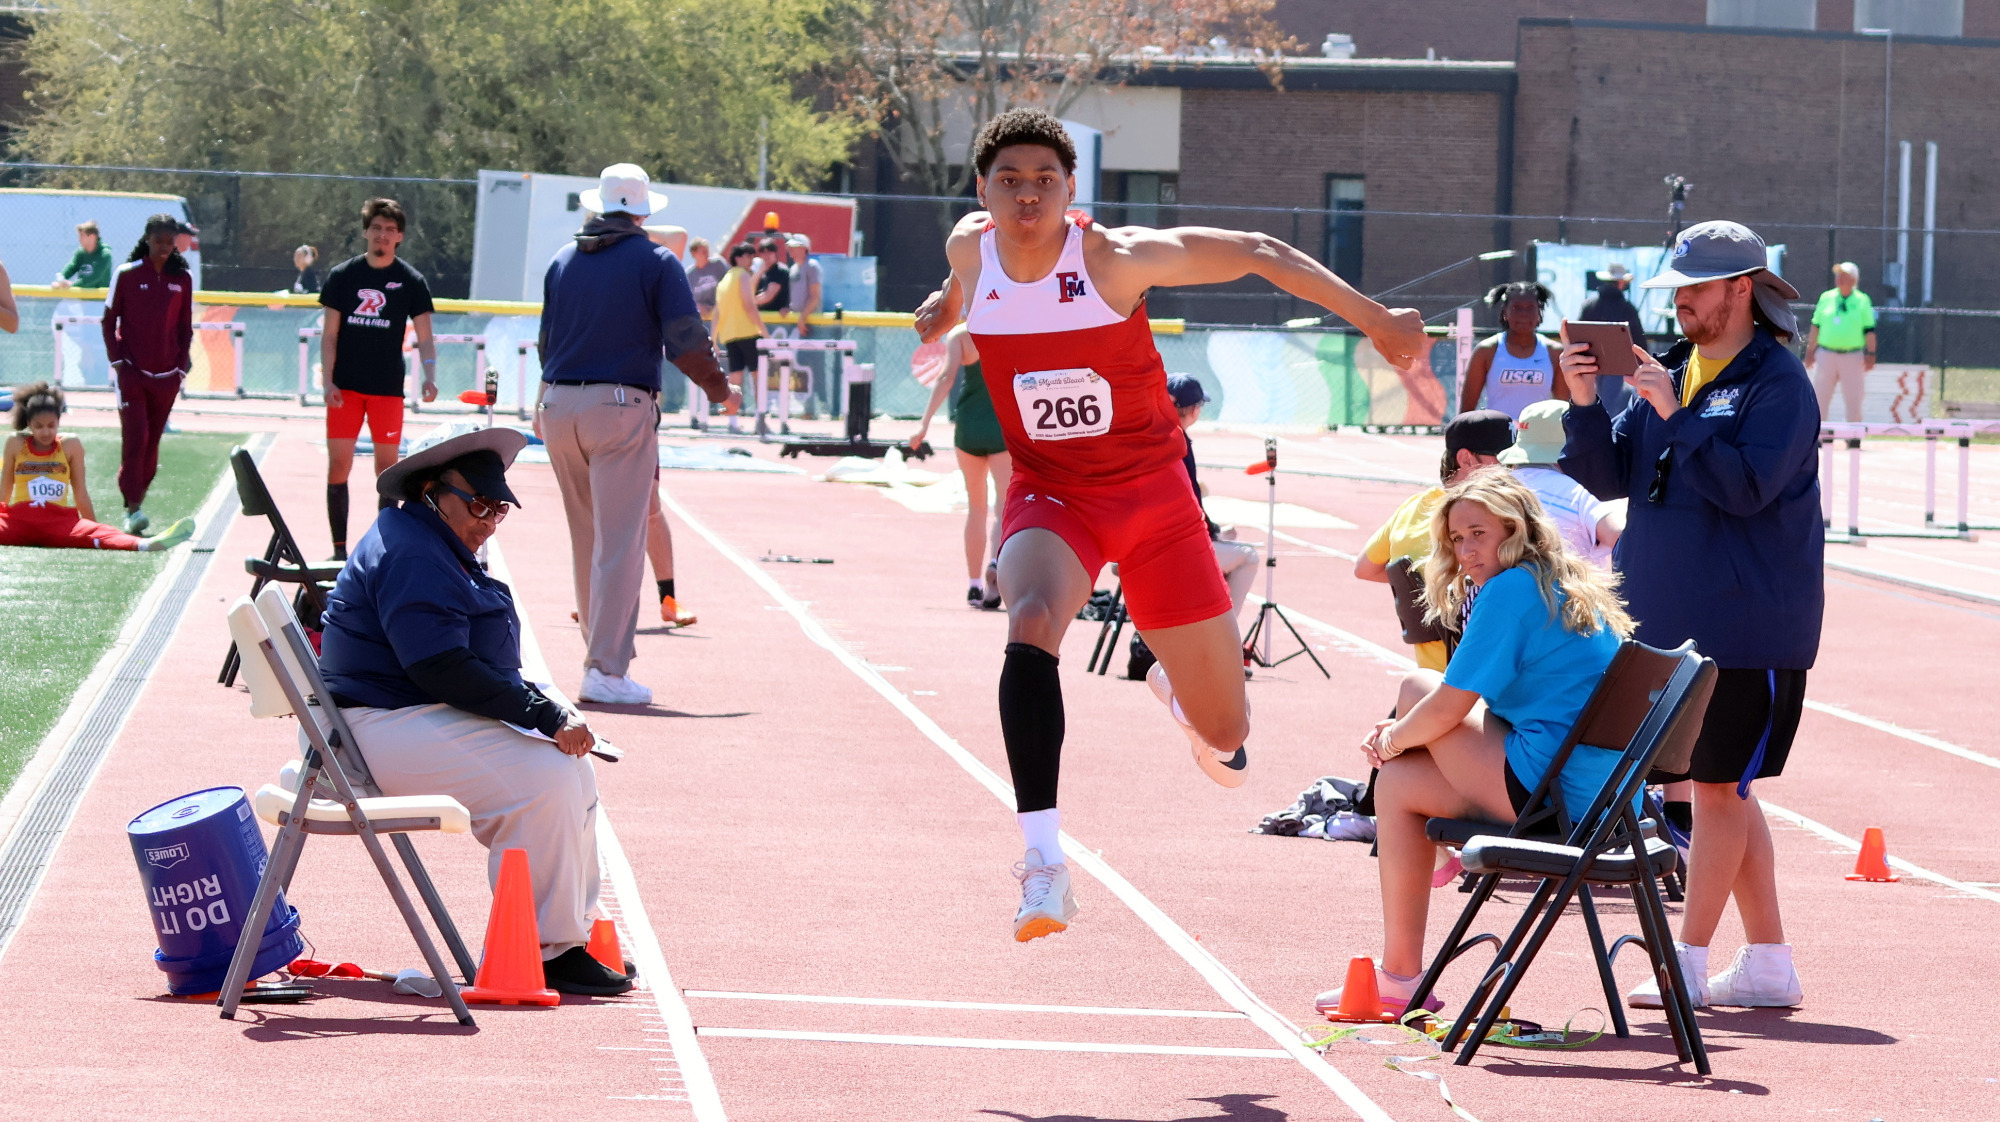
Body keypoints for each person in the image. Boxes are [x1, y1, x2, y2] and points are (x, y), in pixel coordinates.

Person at [913, 108, 1426, 941]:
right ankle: (1044, 864)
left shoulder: (1113, 260)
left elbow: (1262, 253)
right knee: (1032, 620)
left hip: (1153, 501)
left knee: (1228, 732)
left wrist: (1373, 317)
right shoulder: (969, 248)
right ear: (983, 191)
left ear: (1070, 188)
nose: (1027, 194)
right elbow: (960, 277)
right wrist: (944, 307)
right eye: (1009, 180)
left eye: (1045, 179)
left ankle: (1182, 698)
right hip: (1053, 494)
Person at [1559, 219, 1821, 1009]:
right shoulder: (1673, 368)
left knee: (1715, 792)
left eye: (1695, 290)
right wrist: (1583, 402)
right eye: (1674, 292)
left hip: (1745, 625)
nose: (1679, 307)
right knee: (1723, 789)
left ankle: (1689, 962)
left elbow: (1746, 488)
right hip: (1668, 623)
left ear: (1742, 291)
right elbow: (1611, 473)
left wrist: (1677, 414)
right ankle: (1769, 964)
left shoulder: (1780, 383)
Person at [316, 428, 632, 996]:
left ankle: (565, 938)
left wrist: (538, 711)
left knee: (570, 773)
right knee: (549, 776)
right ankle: (544, 948)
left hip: (394, 717)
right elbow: (440, 666)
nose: (488, 520)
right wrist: (543, 714)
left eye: (499, 509)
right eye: (479, 504)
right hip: (375, 731)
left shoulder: (425, 538)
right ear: (433, 491)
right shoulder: (412, 550)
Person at [1315, 471, 1634, 1016]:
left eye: (1477, 533)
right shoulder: (1557, 577)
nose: (1464, 550)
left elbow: (1449, 707)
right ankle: (1401, 974)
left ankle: (1403, 970)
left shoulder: (1511, 590)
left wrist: (1390, 739)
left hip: (1556, 795)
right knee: (1399, 774)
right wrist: (1397, 745)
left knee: (1414, 715)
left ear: (1516, 529)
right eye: (1456, 539)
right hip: (1595, 791)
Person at [534, 163, 730, 705]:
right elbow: (686, 340)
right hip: (618, 405)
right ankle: (606, 670)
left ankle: (596, 656)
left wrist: (541, 398)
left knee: (586, 537)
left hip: (557, 405)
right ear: (642, 212)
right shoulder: (657, 261)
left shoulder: (562, 258)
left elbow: (548, 341)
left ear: (597, 205)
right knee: (621, 542)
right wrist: (720, 390)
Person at [319, 198, 438, 561]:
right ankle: (339, 551)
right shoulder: (343, 276)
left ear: (399, 236)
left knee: (386, 471)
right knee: (339, 464)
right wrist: (328, 382)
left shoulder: (411, 281)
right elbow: (329, 336)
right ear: (365, 232)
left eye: (389, 230)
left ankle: (381, 552)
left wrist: (430, 374)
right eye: (376, 229)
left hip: (387, 389)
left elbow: (426, 336)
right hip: (346, 389)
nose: (382, 236)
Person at [1353, 410, 1516, 672]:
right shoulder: (1487, 518)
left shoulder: (1411, 507)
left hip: (1431, 676)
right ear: (1466, 459)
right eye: (1504, 460)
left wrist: (1427, 580)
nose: (1513, 469)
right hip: (1480, 679)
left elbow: (1364, 568)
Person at [1, 381, 193, 551]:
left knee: (104, 533)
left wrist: (93, 529)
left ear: (59, 422)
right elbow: (5, 489)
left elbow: (80, 493)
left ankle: (144, 545)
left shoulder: (70, 445)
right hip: (20, 520)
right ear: (29, 424)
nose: (45, 432)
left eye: (51, 425)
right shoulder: (16, 443)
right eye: (39, 426)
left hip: (58, 521)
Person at [102, 214, 194, 535]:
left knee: (153, 441)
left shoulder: (183, 278)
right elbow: (107, 320)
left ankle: (138, 500)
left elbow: (186, 326)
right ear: (147, 240)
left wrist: (181, 367)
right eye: (158, 241)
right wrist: (117, 363)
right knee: (136, 437)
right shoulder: (126, 275)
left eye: (170, 242)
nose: (164, 248)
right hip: (132, 374)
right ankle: (133, 507)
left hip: (168, 377)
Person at [911, 322, 1011, 608]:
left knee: (976, 507)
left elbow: (946, 378)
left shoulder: (961, 335)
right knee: (1003, 505)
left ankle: (973, 583)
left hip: (968, 425)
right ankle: (996, 563)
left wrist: (924, 424)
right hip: (1000, 424)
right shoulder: (1007, 327)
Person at [1166, 373, 1259, 619]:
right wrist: (1212, 533)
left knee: (1225, 548)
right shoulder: (1180, 444)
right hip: (1174, 548)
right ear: (1195, 410)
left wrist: (1214, 532)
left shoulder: (1154, 436)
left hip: (1141, 542)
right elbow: (1189, 504)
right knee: (1249, 557)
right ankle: (1228, 638)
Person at [1498, 399, 1621, 567]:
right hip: (1566, 589)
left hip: (1498, 589)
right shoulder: (1577, 492)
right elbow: (1616, 534)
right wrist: (1593, 560)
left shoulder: (1495, 486)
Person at [1458, 281, 1567, 419]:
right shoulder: (1486, 351)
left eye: (1530, 308)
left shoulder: (1555, 353)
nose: (1523, 314)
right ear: (1505, 312)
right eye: (1517, 308)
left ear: (1539, 312)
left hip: (1538, 437)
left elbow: (1563, 407)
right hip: (1498, 436)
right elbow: (1466, 412)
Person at [1806, 262, 1877, 422]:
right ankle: (1820, 435)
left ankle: (1853, 436)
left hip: (1852, 355)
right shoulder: (1826, 297)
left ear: (1853, 279)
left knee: (1854, 397)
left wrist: (1871, 353)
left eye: (1844, 275)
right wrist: (1810, 351)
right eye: (1838, 274)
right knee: (1820, 396)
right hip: (1826, 353)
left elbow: (1869, 330)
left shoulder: (1862, 300)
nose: (1840, 278)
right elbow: (1816, 326)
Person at [1578, 263, 1645, 414]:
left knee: (1586, 407)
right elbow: (1639, 342)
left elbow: (1578, 334)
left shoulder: (1589, 306)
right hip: (1618, 367)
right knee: (1612, 411)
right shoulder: (1627, 308)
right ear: (1621, 283)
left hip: (1589, 366)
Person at [711, 241, 764, 433]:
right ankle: (760, 420)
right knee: (759, 377)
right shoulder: (742, 276)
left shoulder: (724, 280)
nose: (751, 260)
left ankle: (732, 422)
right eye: (748, 256)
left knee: (735, 378)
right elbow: (750, 306)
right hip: (748, 332)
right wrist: (765, 333)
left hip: (730, 335)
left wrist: (714, 337)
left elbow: (717, 312)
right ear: (739, 258)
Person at [51, 221, 113, 290]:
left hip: (99, 299)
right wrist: (60, 280)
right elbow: (71, 267)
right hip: (82, 296)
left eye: (82, 236)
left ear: (92, 237)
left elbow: (94, 278)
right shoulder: (81, 253)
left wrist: (71, 285)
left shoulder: (104, 254)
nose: (79, 239)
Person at [686, 238, 725, 323]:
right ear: (694, 254)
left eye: (707, 251)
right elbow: (687, 299)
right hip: (702, 321)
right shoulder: (689, 275)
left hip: (722, 315)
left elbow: (731, 284)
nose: (707, 255)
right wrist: (697, 306)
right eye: (704, 252)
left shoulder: (718, 264)